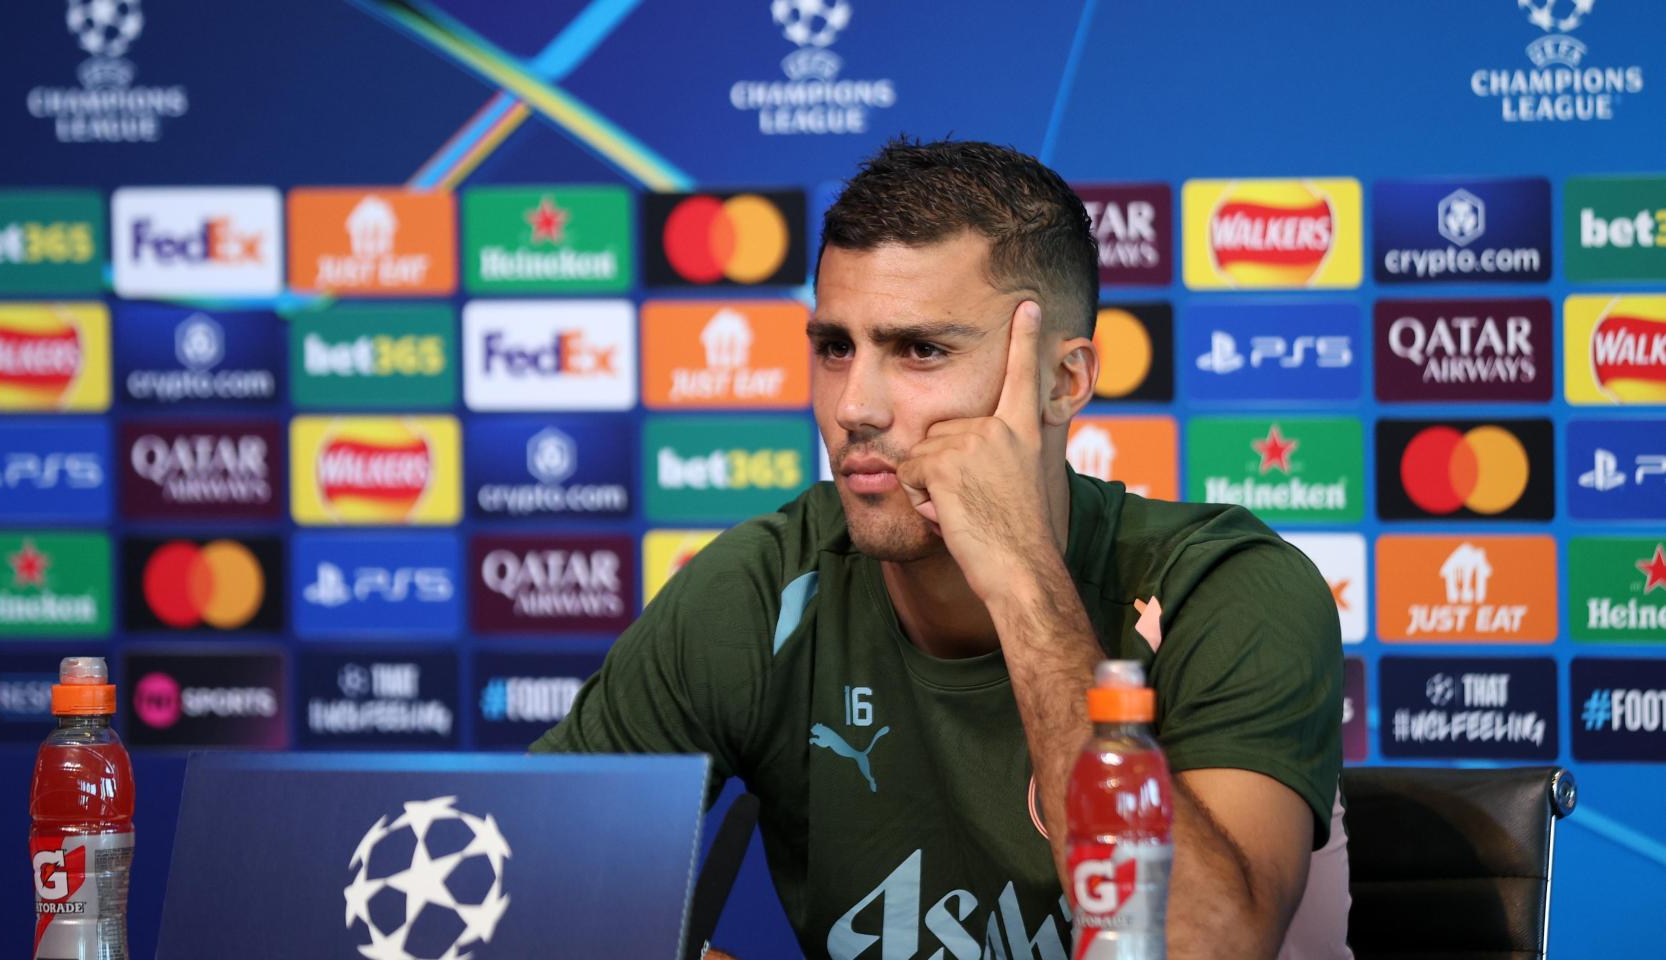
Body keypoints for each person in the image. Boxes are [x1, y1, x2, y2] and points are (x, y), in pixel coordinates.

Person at [532, 138, 1348, 959]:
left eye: (921, 350)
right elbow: (517, 896)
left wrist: (1024, 581)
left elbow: (1199, 949)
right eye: (835, 347)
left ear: (1063, 383)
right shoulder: (762, 590)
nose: (855, 406)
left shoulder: (1226, 589)